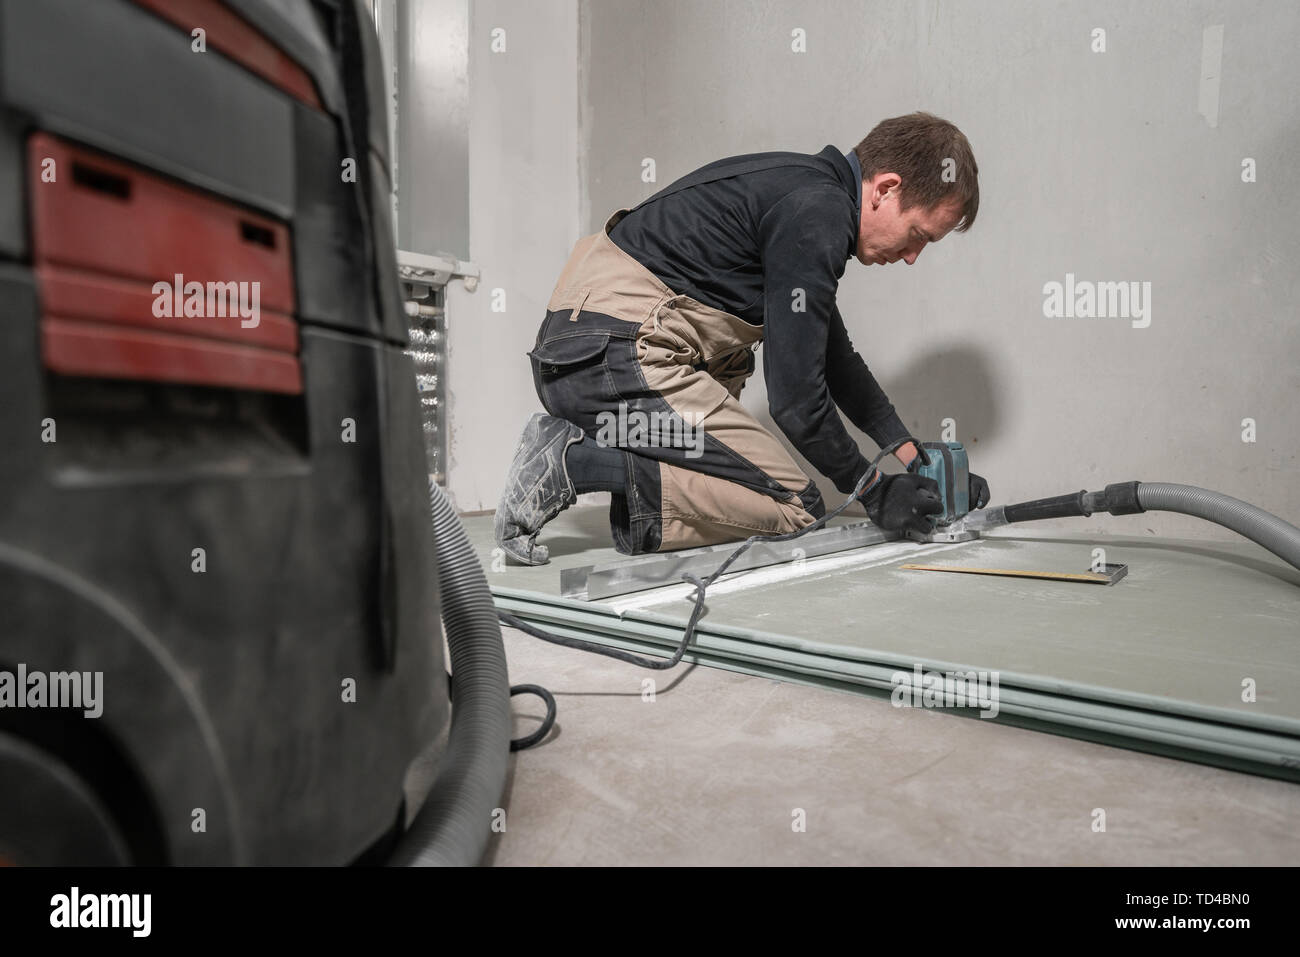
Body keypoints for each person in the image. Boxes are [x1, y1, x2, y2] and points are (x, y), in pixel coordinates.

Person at [496, 112, 990, 565]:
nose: (911, 257)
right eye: (919, 234)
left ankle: (590, 461)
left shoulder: (804, 195)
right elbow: (797, 400)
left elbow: (834, 359)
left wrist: (917, 462)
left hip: (584, 361)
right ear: (885, 188)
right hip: (618, 359)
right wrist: (875, 491)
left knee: (748, 479)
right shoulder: (817, 211)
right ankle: (576, 462)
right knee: (797, 504)